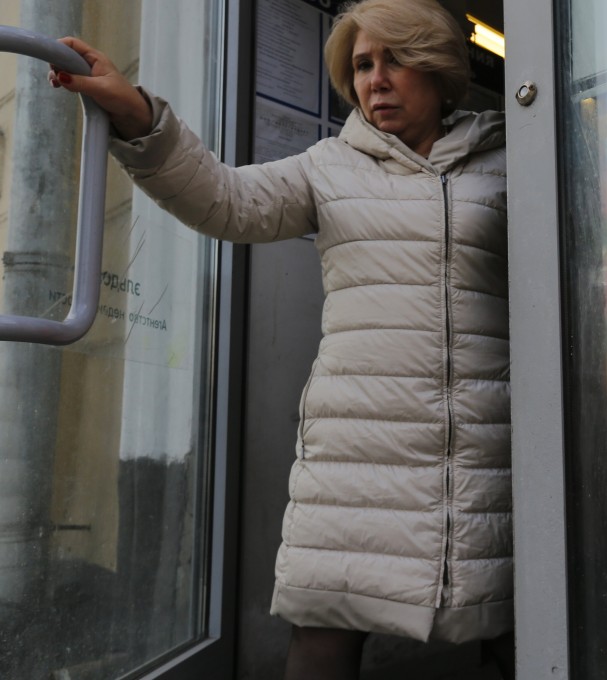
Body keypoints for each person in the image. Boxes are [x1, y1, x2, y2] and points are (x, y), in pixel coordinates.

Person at [49, 1, 514, 678]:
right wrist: (136, 114)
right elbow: (224, 199)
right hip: (357, 451)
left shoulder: (507, 160)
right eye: (361, 66)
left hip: (484, 442)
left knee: (520, 623)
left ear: (440, 71)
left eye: (395, 60)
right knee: (324, 635)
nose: (375, 81)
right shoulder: (331, 166)